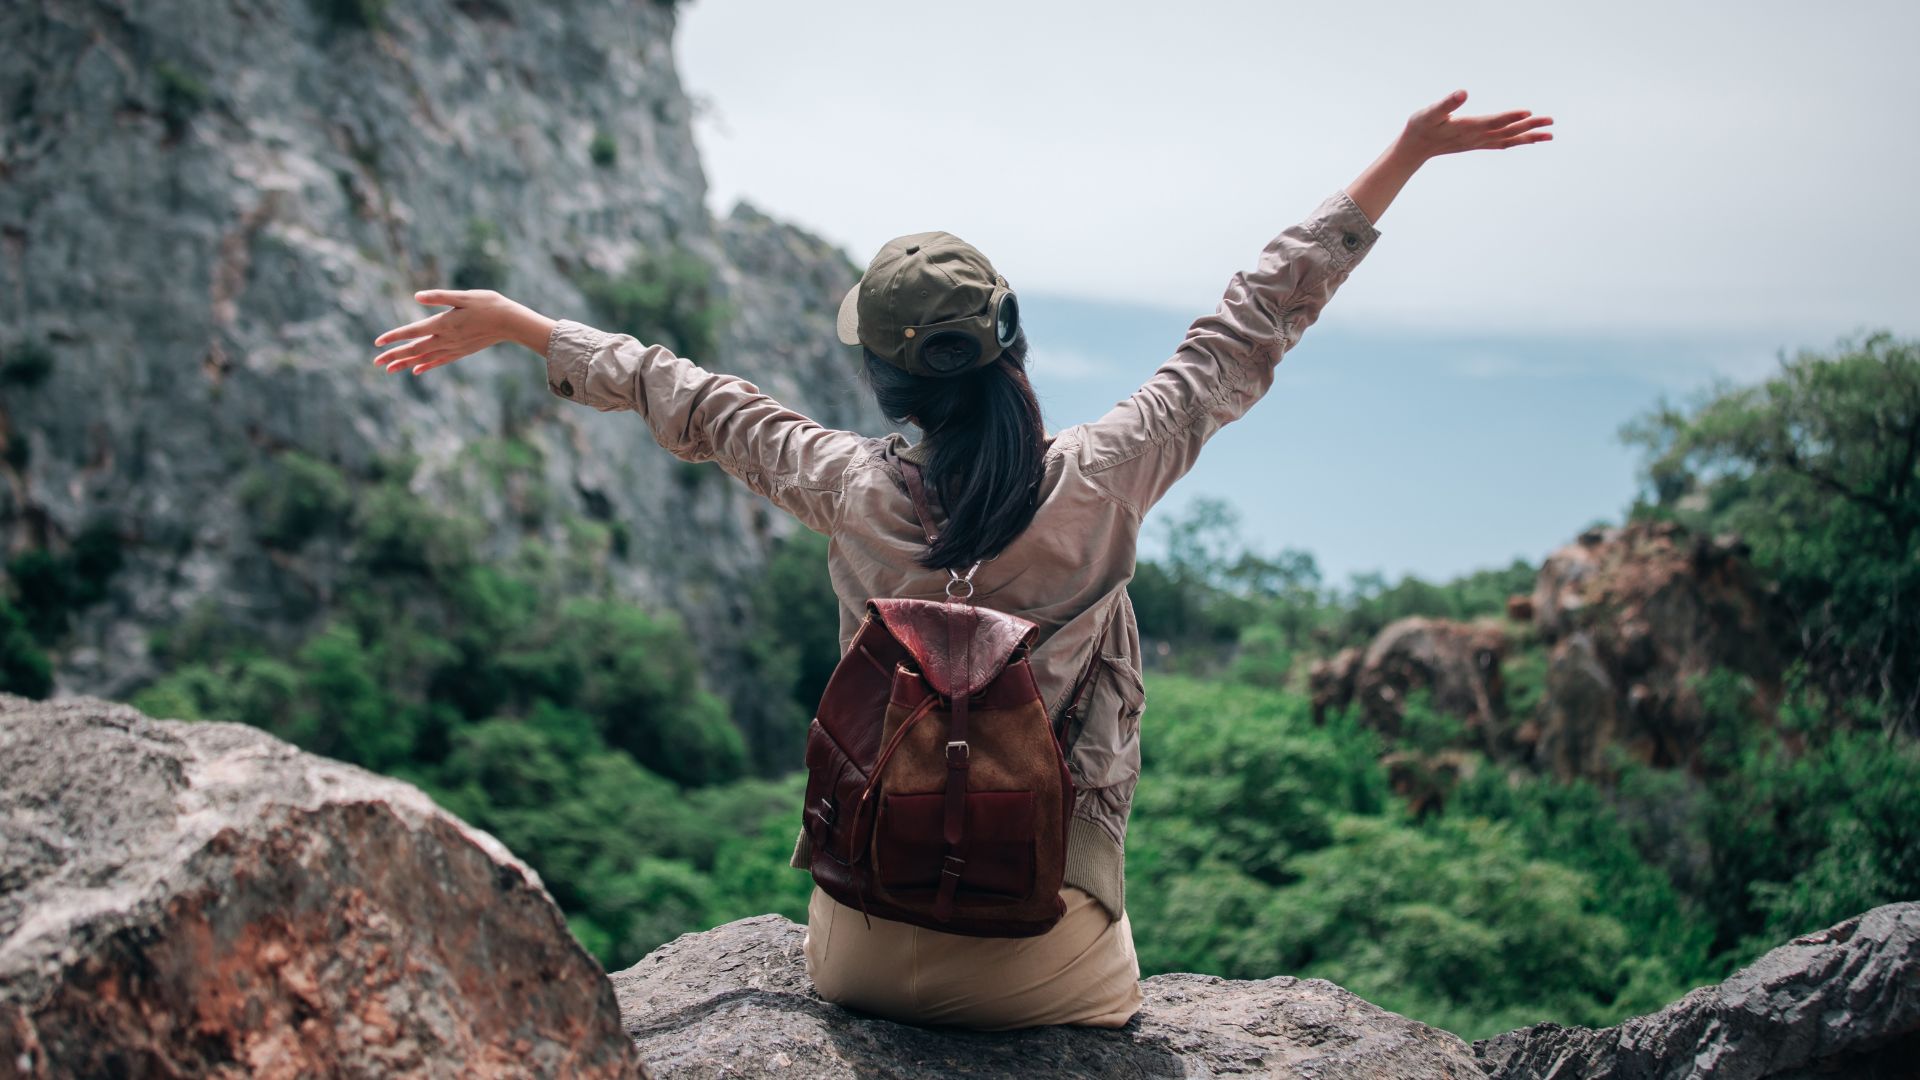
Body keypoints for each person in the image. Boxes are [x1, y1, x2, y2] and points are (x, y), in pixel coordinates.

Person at [370, 88, 1553, 1030]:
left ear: (883, 379)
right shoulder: (1109, 473)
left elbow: (696, 401)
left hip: (859, 954)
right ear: (1013, 343)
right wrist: (1401, 156)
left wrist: (527, 326)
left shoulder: (844, 485)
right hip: (1051, 961)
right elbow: (1246, 325)